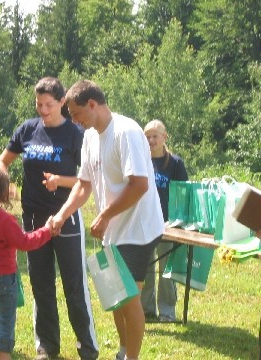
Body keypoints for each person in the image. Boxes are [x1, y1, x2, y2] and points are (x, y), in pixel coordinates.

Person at [51, 80, 165, 360]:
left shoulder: (126, 132)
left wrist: (103, 216)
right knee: (116, 298)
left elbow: (139, 185)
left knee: (128, 298)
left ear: (92, 104)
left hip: (138, 229)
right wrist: (62, 214)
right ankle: (125, 351)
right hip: (113, 229)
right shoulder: (90, 136)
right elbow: (83, 184)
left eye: (76, 114)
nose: (75, 121)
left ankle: (132, 357)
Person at [0, 77, 99, 360]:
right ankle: (46, 346)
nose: (42, 110)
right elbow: (3, 161)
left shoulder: (75, 135)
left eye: (49, 105)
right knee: (41, 284)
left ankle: (87, 348)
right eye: (38, 104)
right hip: (33, 220)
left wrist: (60, 180)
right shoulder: (27, 130)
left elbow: (87, 179)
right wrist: (3, 179)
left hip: (66, 218)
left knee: (74, 286)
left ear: (62, 102)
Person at [0, 165, 57, 360]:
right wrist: (47, 230)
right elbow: (25, 242)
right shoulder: (4, 220)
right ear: (1, 193)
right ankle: (2, 356)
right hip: (3, 281)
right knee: (4, 325)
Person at [140, 119, 188, 322]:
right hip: (143, 224)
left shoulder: (175, 163)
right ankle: (146, 310)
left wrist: (177, 221)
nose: (151, 140)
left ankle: (167, 312)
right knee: (146, 269)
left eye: (155, 136)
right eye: (147, 136)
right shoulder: (140, 160)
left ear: (164, 137)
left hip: (169, 225)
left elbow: (184, 194)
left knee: (167, 271)